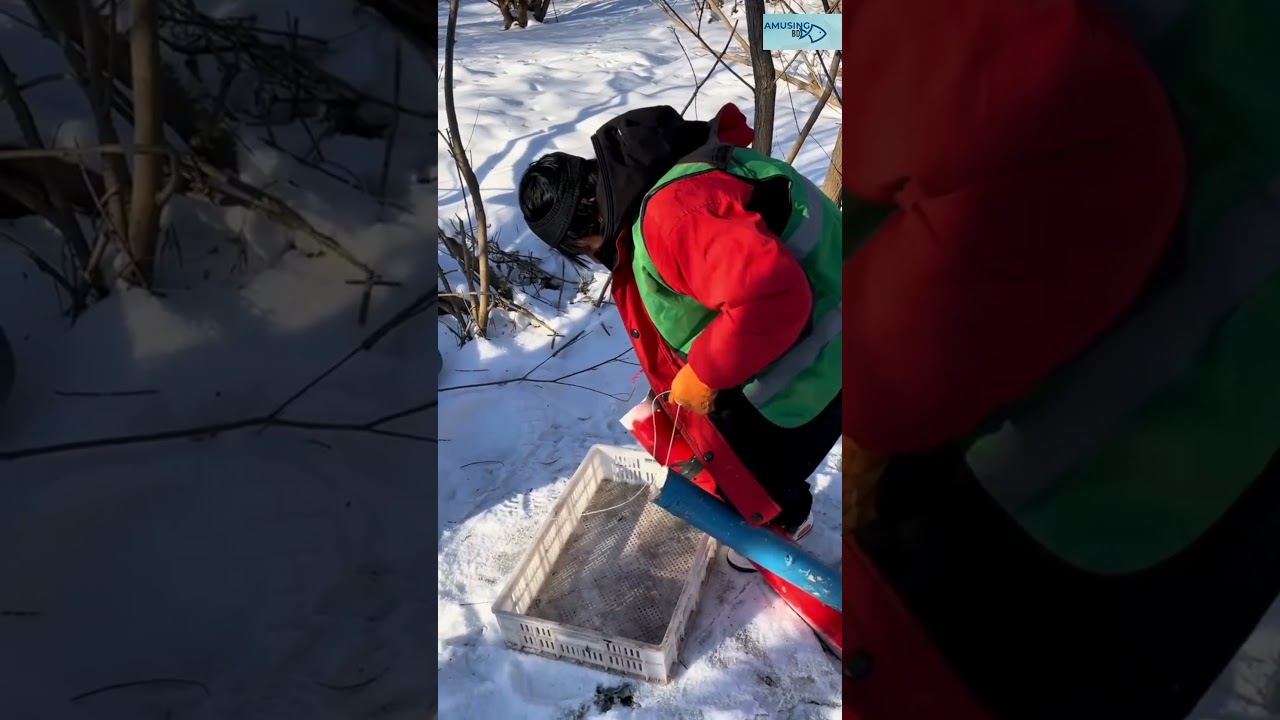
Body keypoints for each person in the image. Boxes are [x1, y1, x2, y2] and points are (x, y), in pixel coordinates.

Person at [518, 103, 842, 571]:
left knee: (749, 464)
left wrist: (708, 373)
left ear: (578, 236)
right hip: (832, 318)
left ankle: (784, 523)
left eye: (580, 250)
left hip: (825, 353)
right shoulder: (666, 179)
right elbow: (710, 284)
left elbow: (772, 298)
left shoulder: (672, 216)